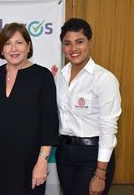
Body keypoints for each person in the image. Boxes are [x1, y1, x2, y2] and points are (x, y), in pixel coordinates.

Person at [0, 23, 59, 195]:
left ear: (28, 46)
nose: (14, 48)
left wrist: (42, 161)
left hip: (29, 160)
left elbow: (49, 121)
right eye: (8, 43)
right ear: (1, 49)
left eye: (19, 42)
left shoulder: (42, 76)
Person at [54, 18, 122, 195]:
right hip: (64, 153)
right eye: (67, 43)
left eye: (79, 42)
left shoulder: (104, 79)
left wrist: (100, 173)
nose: (73, 48)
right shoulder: (59, 77)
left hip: (92, 154)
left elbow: (108, 127)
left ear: (90, 43)